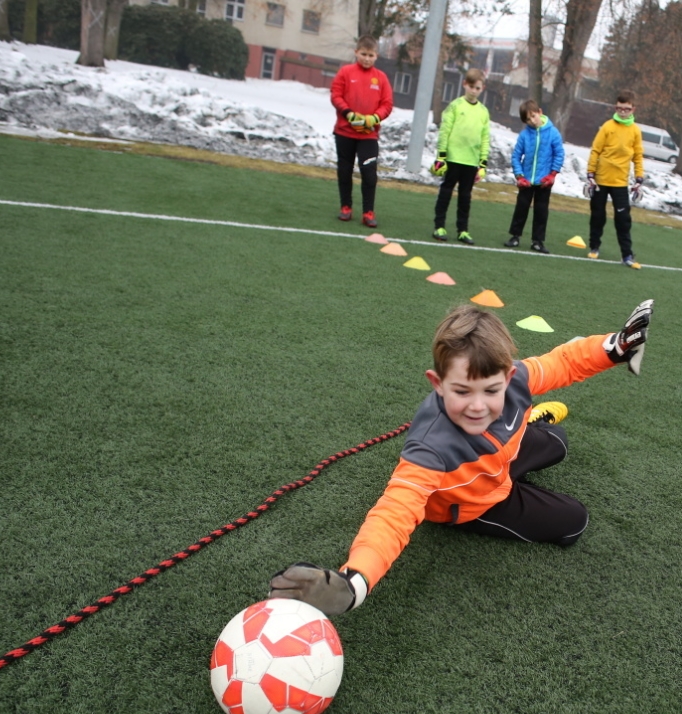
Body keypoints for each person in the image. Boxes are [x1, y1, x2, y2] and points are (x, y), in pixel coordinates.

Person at [268, 299, 655, 615]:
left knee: (559, 441)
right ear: (437, 383)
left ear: (507, 376)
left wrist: (616, 346)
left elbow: (563, 361)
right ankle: (524, 454)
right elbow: (395, 510)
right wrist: (355, 582)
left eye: (491, 391)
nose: (477, 407)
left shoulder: (517, 377)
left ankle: (533, 425)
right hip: (473, 500)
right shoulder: (431, 445)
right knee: (574, 523)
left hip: (501, 460)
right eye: (461, 392)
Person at [330, 36, 393, 229]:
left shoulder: (381, 78)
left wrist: (374, 118)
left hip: (368, 135)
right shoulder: (345, 72)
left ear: (376, 56)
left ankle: (368, 212)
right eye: (363, 54)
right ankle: (346, 207)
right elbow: (336, 95)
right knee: (345, 170)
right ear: (356, 52)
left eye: (370, 55)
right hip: (344, 132)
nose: (367, 58)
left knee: (369, 172)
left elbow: (387, 104)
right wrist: (348, 114)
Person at [586, 90, 645, 269]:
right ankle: (594, 246)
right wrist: (590, 173)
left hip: (620, 182)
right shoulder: (607, 126)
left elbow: (638, 156)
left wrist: (639, 177)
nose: (622, 112)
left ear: (633, 109)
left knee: (623, 219)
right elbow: (595, 150)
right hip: (601, 180)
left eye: (626, 109)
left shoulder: (635, 131)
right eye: (619, 109)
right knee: (598, 216)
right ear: (615, 108)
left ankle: (626, 255)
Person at [431, 69, 491, 245]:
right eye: (471, 86)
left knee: (465, 197)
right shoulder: (455, 106)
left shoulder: (483, 112)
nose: (474, 91)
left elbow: (485, 138)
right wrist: (441, 156)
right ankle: (439, 226)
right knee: (446, 192)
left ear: (482, 89)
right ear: (465, 84)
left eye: (477, 88)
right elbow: (445, 131)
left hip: (471, 161)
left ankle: (463, 230)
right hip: (452, 158)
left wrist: (483, 164)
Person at [505, 100, 565, 254]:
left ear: (540, 112)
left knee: (541, 211)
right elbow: (516, 156)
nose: (532, 121)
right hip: (526, 181)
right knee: (521, 208)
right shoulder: (525, 135)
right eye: (528, 120)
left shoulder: (553, 133)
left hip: (544, 182)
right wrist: (519, 176)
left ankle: (537, 241)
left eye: (533, 116)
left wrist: (552, 174)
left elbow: (559, 154)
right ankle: (515, 236)